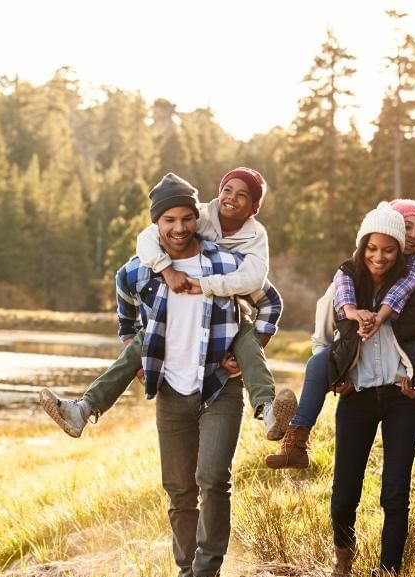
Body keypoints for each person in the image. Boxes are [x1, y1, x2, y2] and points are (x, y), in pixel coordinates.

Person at [107, 174, 281, 577]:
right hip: (170, 389)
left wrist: (250, 346)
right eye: (169, 220)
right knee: (179, 490)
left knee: (212, 479)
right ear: (157, 225)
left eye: (187, 218)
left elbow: (270, 300)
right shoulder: (143, 267)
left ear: (195, 219)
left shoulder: (224, 263)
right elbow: (123, 293)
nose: (180, 228)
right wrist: (134, 347)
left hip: (219, 386)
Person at [40, 168, 295, 442]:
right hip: (174, 316)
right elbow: (147, 238)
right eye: (227, 190)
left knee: (247, 340)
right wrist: (166, 270)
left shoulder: (255, 238)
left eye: (243, 195)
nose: (180, 227)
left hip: (230, 313)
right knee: (142, 341)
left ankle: (268, 410)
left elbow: (259, 283)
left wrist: (249, 348)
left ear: (255, 207)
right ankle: (83, 409)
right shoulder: (198, 216)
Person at [310, 204, 415, 577]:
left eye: (390, 248)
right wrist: (335, 378)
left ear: (399, 250)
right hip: (356, 398)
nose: (380, 256)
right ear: (363, 247)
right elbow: (320, 341)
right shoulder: (342, 288)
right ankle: (343, 561)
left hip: (401, 400)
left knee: (395, 491)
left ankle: (389, 571)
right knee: (345, 489)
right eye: (373, 248)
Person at [265, 199, 415, 470]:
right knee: (317, 364)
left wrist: (380, 318)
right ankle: (297, 438)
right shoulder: (348, 274)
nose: (413, 237)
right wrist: (339, 374)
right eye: (407, 228)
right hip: (357, 377)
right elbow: (325, 330)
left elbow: (406, 295)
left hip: (409, 357)